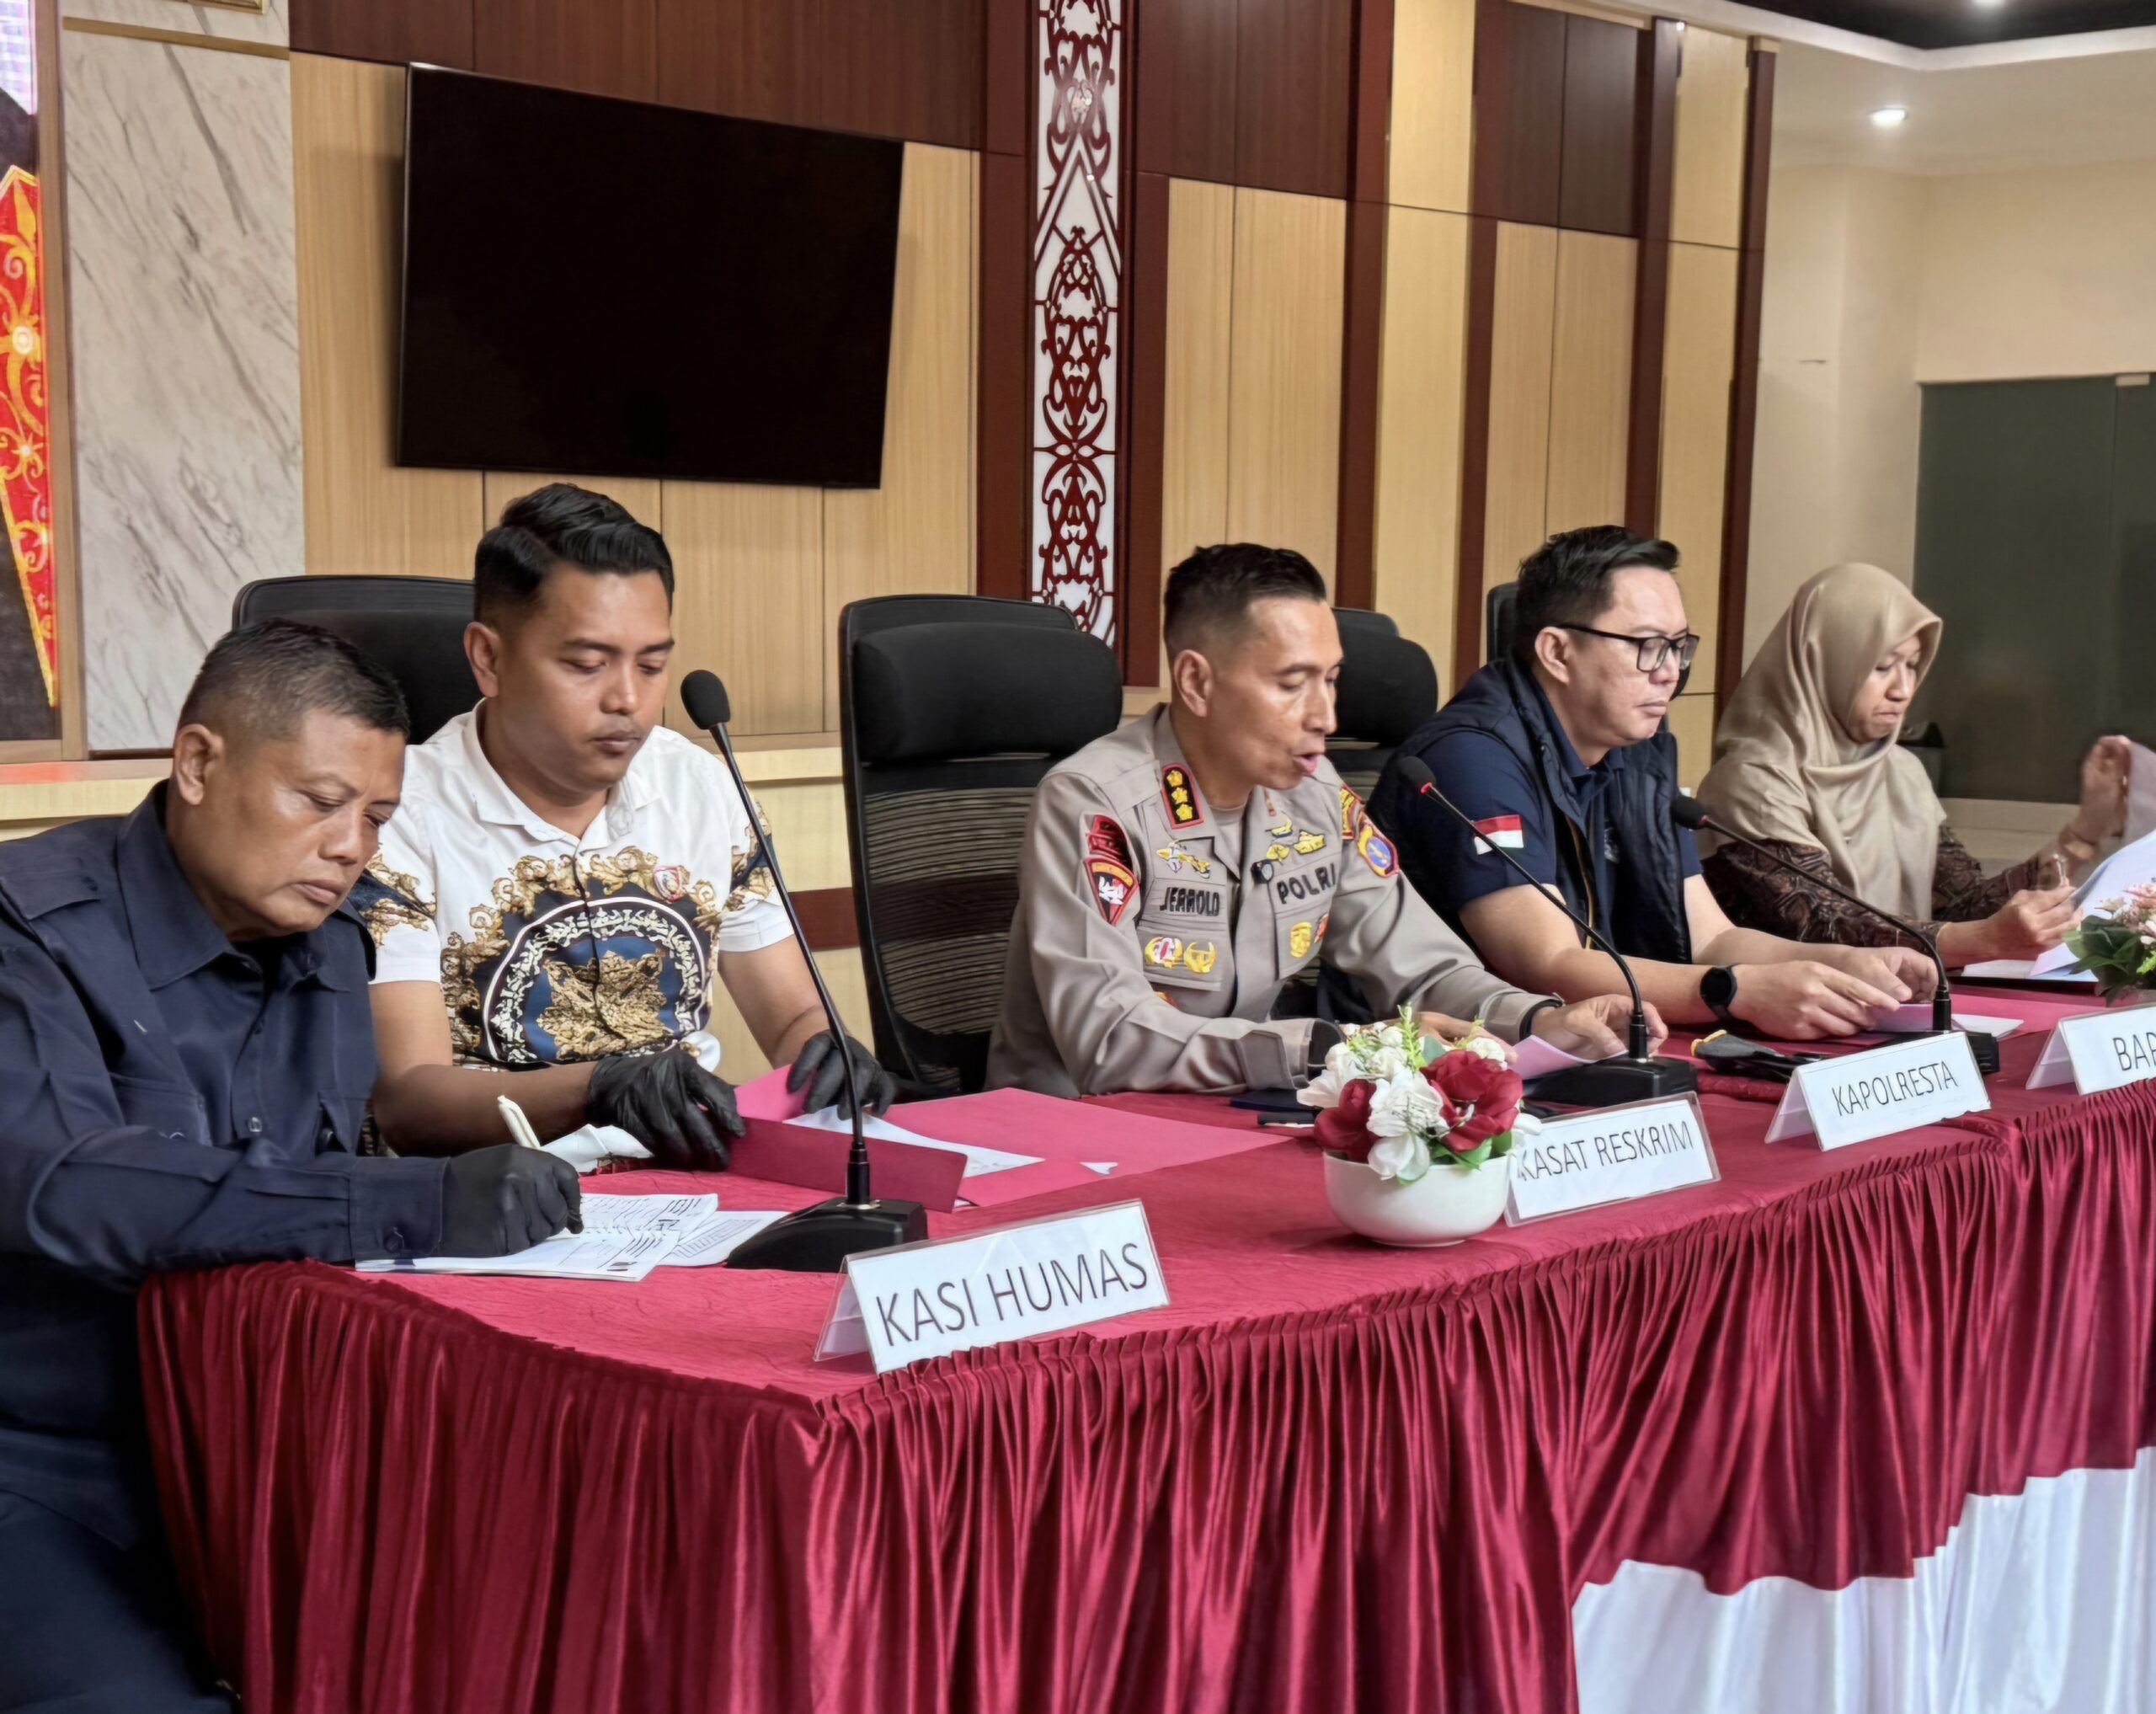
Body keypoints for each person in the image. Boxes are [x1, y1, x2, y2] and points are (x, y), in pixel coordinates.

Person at [0, 622, 579, 1712]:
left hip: (259, 1451)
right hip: (49, 1456)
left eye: (378, 817)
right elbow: (67, 1183)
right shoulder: (27, 924)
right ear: (198, 761)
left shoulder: (333, 945)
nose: (351, 846)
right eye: (319, 800)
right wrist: (409, 1202)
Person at [988, 542, 1656, 1096]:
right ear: (1196, 682)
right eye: (1291, 683)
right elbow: (1109, 1040)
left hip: (1233, 1113)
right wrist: (1332, 1048)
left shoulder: (1314, 795)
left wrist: (1540, 1020)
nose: (1326, 717)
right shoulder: (1092, 800)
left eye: (1331, 679)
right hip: (1070, 1137)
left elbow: (1423, 968)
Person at [357, 483, 892, 1167]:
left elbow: (792, 1016)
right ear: (488, 658)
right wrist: (597, 1090)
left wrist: (829, 1053)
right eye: (587, 665)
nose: (629, 700)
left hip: (698, 1183)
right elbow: (410, 1101)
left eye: (652, 664)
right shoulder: (395, 816)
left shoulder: (700, 786)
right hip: (496, 1197)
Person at [1369, 526, 1935, 1040]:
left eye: (1679, 647)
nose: (1669, 672)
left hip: (1610, 1040)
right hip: (1453, 1055)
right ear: (1557, 651)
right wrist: (1735, 991)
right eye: (1647, 646)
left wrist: (1844, 962)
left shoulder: (1636, 747)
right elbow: (1547, 964)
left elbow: (1711, 938)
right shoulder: (1472, 758)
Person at [1695, 562, 2127, 967]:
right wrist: (1983, 939)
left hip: (1909, 999)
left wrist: (2085, 831)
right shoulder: (1752, 782)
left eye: (1913, 666)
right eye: (1881, 667)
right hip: (1791, 1010)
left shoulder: (1902, 771)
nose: (1903, 689)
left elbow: (1963, 905)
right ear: (1821, 662)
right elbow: (1821, 923)